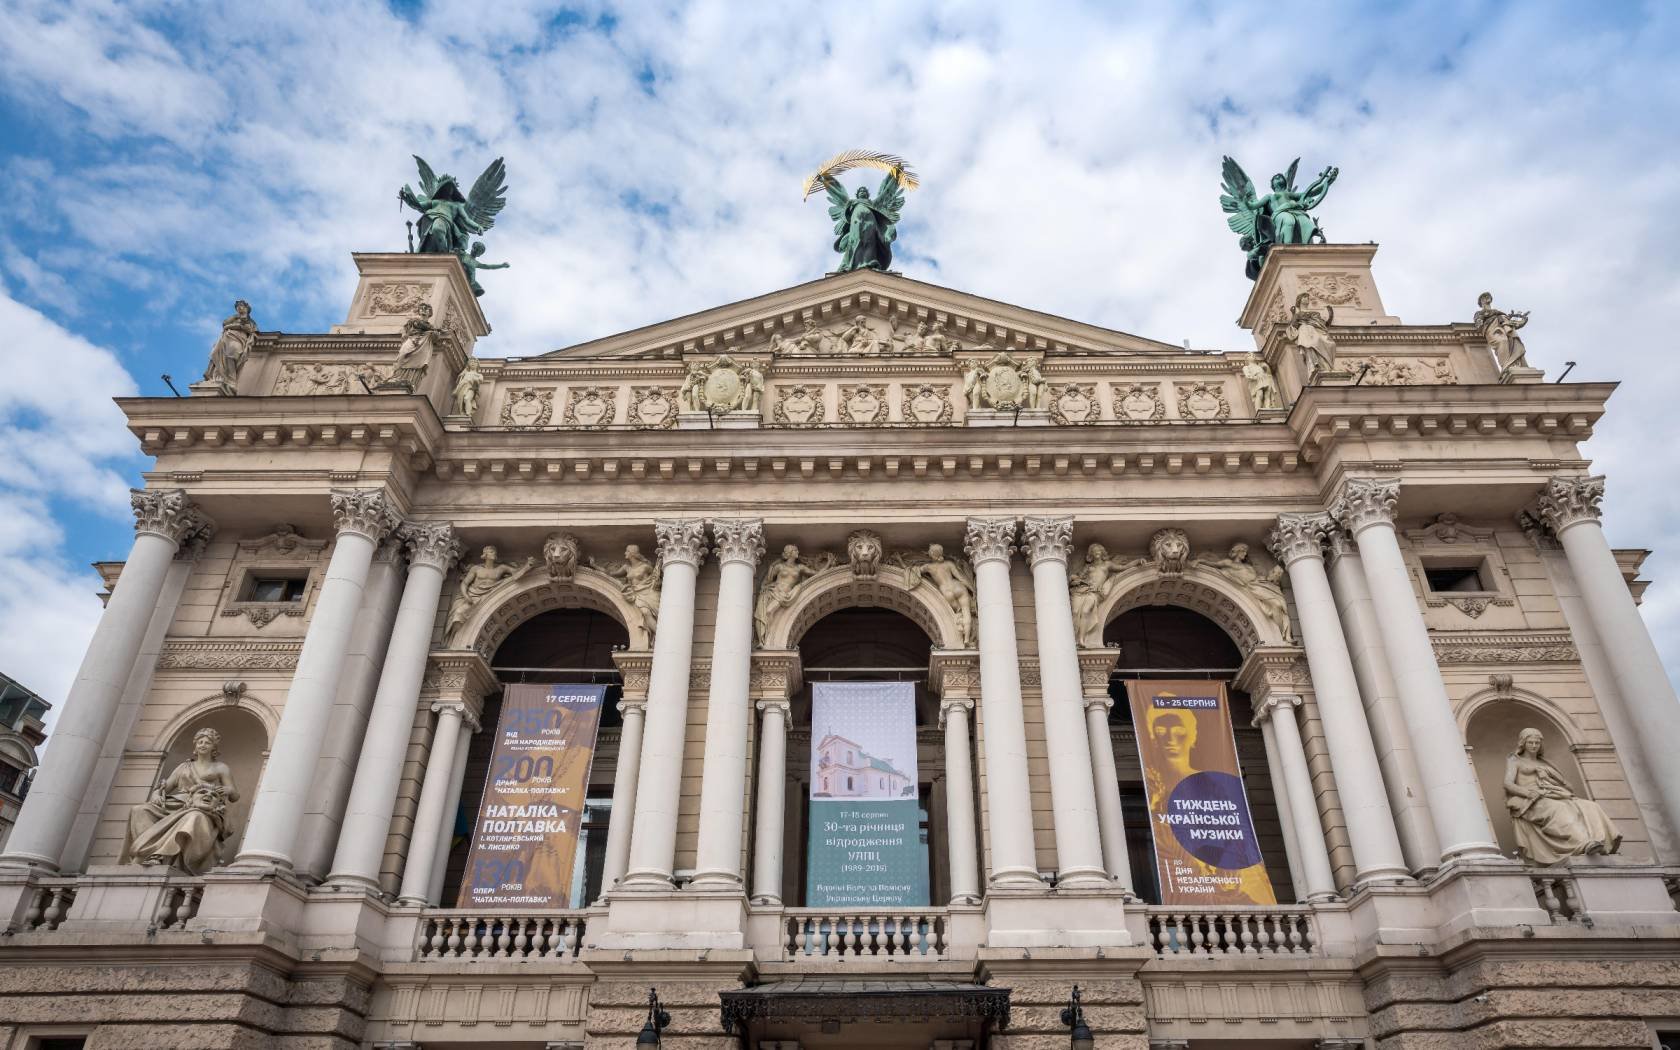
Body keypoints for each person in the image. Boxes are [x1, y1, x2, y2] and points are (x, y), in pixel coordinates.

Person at [124, 727, 239, 874]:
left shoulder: (221, 768)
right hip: (177, 803)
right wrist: (156, 795)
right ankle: (145, 853)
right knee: (140, 810)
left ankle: (160, 854)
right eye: (200, 742)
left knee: (192, 816)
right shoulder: (184, 767)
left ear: (214, 747)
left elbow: (235, 796)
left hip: (201, 806)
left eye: (207, 742)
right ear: (195, 746)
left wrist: (228, 790)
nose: (203, 745)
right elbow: (164, 788)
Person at [1504, 727, 1621, 864]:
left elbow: (1568, 786)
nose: (1534, 746)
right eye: (1531, 742)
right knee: (1559, 808)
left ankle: (1602, 843)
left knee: (1590, 806)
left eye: (1537, 743)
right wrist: (1528, 793)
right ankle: (1583, 843)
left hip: (1555, 793)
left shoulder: (1545, 763)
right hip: (1533, 799)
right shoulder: (1515, 761)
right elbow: (1508, 784)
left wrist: (1550, 778)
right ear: (1523, 743)